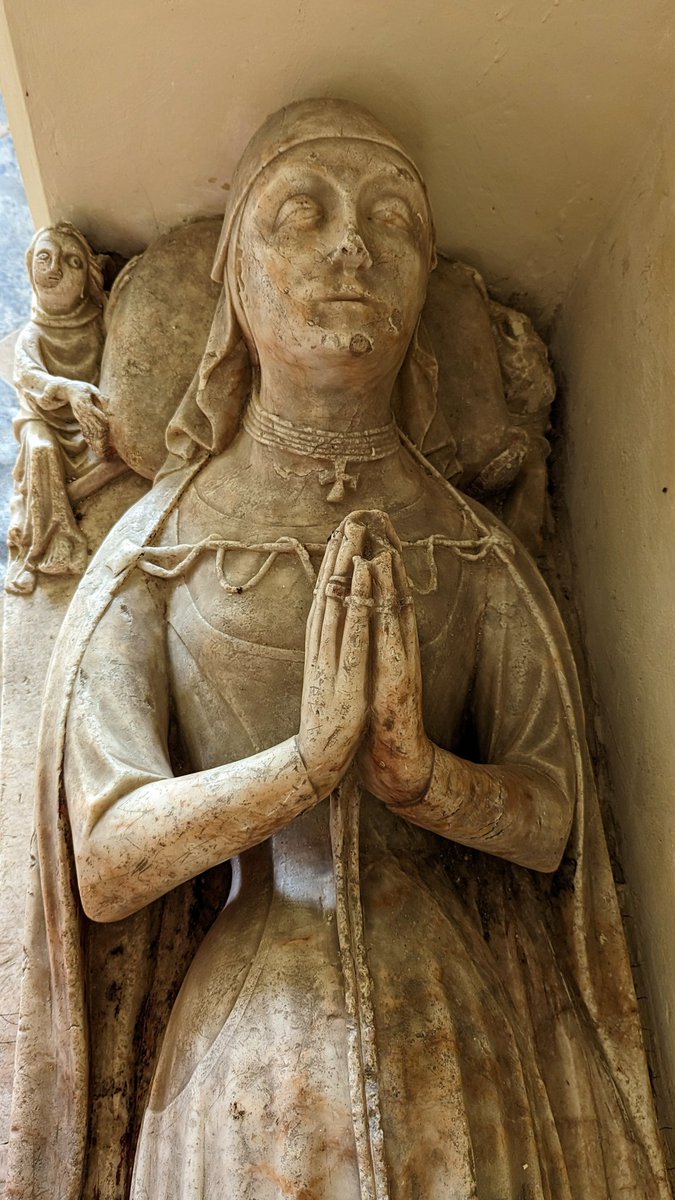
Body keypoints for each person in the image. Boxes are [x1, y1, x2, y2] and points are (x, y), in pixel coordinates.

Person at [6, 100, 669, 1200]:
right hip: (243, 1053)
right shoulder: (164, 550)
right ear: (232, 280)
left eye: (394, 221)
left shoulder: (468, 546)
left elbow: (557, 821)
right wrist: (303, 768)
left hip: (455, 1034)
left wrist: (425, 778)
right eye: (301, 216)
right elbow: (107, 855)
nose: (351, 248)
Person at [6, 222, 119, 594]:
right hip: (44, 420)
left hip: (87, 421)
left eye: (70, 262)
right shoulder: (32, 334)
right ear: (28, 265)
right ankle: (34, 555)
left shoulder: (99, 324)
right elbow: (29, 378)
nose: (53, 270)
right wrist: (68, 389)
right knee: (40, 451)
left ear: (88, 276)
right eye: (44, 258)